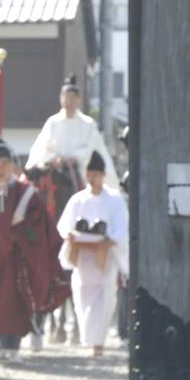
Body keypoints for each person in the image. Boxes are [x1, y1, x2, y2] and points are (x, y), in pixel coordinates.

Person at [0, 135, 55, 363]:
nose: (0, 168)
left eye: (4, 163)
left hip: (15, 260)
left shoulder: (25, 193)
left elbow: (36, 226)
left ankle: (12, 345)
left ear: (12, 165)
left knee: (13, 302)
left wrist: (20, 239)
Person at [56, 151, 129, 357]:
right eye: (89, 174)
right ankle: (89, 340)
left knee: (104, 299)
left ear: (103, 174)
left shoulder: (114, 199)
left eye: (96, 174)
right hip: (83, 257)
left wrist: (109, 238)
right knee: (82, 298)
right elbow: (64, 226)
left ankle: (99, 343)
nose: (92, 178)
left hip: (104, 255)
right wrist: (72, 234)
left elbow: (121, 228)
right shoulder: (78, 199)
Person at [25, 74, 119, 189]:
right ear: (61, 99)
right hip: (55, 169)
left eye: (72, 98)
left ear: (78, 100)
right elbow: (42, 147)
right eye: (65, 97)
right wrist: (55, 159)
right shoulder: (53, 122)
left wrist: (75, 158)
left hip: (80, 169)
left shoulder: (87, 124)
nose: (68, 101)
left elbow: (92, 148)